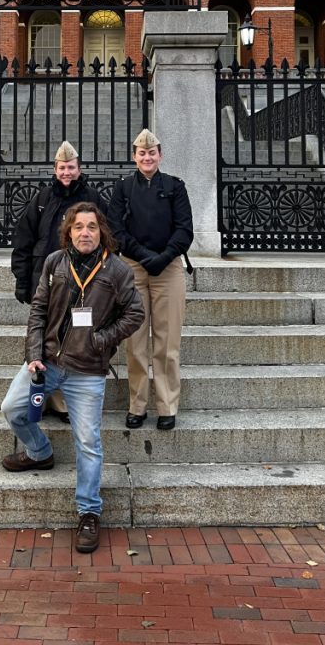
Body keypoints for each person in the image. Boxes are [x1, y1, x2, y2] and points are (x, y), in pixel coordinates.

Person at [1, 202, 143, 554]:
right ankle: (39, 451)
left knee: (88, 442)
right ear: (69, 232)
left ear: (101, 231)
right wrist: (34, 355)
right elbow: (38, 310)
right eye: (78, 227)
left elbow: (136, 313)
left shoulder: (117, 270)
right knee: (12, 409)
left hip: (87, 370)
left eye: (91, 227)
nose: (85, 233)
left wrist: (101, 339)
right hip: (48, 361)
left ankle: (89, 512)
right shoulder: (55, 262)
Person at [10, 140, 104, 421]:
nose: (67, 172)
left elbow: (108, 235)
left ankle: (65, 402)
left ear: (79, 169)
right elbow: (23, 240)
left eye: (71, 167)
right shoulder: (41, 199)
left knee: (73, 339)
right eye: (62, 167)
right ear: (55, 169)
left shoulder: (92, 198)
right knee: (44, 338)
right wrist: (22, 279)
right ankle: (44, 397)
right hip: (45, 279)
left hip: (81, 281)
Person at [107, 129, 193, 431]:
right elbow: (115, 230)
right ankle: (137, 405)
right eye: (141, 153)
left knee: (168, 342)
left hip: (168, 268)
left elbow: (185, 229)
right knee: (136, 341)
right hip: (133, 267)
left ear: (160, 155)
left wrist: (165, 255)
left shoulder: (174, 187)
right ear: (134, 156)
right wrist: (143, 255)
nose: (147, 157)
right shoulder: (123, 188)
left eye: (152, 152)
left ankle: (167, 405)